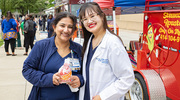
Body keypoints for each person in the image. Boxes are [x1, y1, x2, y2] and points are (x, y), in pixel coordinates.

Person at [78, 2, 134, 100]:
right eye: (85, 19)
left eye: (92, 16)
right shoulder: (89, 41)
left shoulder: (112, 43)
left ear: (102, 17)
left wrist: (102, 96)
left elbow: (127, 78)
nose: (89, 21)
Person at [22, 12, 84, 100]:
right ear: (54, 27)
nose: (66, 30)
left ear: (74, 30)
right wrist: (48, 79)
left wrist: (80, 80)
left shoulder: (79, 49)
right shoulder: (41, 46)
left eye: (70, 27)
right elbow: (27, 69)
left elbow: (86, 74)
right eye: (62, 26)